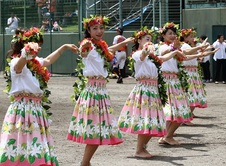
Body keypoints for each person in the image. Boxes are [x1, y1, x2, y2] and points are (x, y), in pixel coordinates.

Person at [0, 27, 79, 165]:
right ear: (25, 45)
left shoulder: (35, 63)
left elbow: (48, 60)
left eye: (39, 45)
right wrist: (28, 51)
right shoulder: (16, 62)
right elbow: (19, 66)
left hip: (36, 109)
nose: (39, 48)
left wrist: (64, 47)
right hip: (22, 110)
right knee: (21, 143)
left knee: (36, 146)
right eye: (36, 44)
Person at [66, 16, 134, 166]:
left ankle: (86, 162)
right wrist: (82, 47)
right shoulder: (88, 45)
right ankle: (85, 163)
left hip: (101, 92)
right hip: (93, 92)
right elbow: (83, 52)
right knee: (95, 130)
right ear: (88, 30)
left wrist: (125, 43)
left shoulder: (100, 46)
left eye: (101, 28)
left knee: (98, 129)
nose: (99, 31)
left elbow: (109, 49)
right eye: (95, 28)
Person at [118, 27, 173, 158]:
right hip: (144, 90)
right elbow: (142, 55)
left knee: (152, 121)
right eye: (147, 39)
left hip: (153, 91)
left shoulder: (152, 58)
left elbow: (163, 58)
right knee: (145, 120)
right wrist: (146, 49)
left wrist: (175, 52)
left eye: (151, 39)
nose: (150, 41)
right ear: (139, 40)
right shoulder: (138, 54)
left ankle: (142, 148)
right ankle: (139, 150)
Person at [156, 22, 193, 145]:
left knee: (175, 110)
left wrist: (200, 51)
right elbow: (163, 54)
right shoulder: (162, 47)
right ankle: (167, 136)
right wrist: (174, 48)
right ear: (163, 35)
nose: (172, 36)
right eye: (169, 33)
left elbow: (184, 56)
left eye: (174, 34)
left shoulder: (175, 48)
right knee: (177, 110)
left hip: (174, 80)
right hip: (168, 81)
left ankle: (166, 135)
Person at [180, 28, 219, 124]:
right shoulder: (184, 46)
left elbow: (198, 53)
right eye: (191, 36)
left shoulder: (189, 46)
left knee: (194, 94)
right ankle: (186, 116)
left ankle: (189, 113)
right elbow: (192, 52)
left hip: (193, 72)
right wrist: (203, 47)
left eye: (193, 36)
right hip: (188, 72)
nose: (193, 38)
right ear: (185, 37)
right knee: (190, 94)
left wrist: (208, 50)